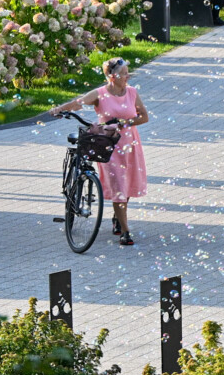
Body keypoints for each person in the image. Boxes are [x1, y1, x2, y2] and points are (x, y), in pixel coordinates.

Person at [48, 57, 150, 247]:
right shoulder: (100, 94)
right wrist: (59, 109)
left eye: (127, 72)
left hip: (130, 144)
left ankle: (117, 218)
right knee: (118, 185)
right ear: (112, 76)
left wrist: (125, 122)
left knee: (127, 183)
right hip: (108, 145)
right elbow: (78, 102)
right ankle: (125, 231)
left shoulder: (132, 92)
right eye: (124, 73)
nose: (128, 76)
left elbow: (144, 117)